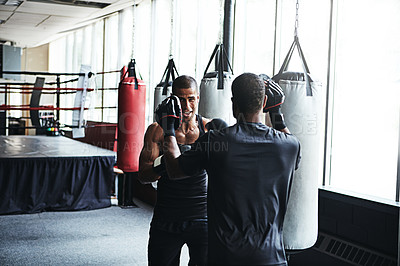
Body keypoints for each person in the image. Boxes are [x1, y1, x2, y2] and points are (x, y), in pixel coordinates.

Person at [157, 73, 301, 265]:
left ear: (234, 105)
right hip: (272, 258)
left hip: (226, 257)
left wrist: (168, 130)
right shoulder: (289, 146)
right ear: (265, 101)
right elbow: (290, 143)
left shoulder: (214, 142)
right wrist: (276, 114)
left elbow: (174, 170)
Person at [138, 75, 227, 266]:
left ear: (198, 98)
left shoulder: (209, 129)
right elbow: (143, 175)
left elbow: (227, 173)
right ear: (172, 99)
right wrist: (167, 163)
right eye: (181, 99)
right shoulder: (157, 130)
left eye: (191, 99)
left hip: (202, 217)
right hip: (166, 217)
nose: (186, 106)